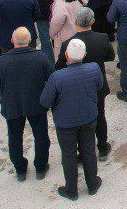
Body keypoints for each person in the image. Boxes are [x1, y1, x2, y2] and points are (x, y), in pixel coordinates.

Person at [40, 38, 104, 200]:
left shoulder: (57, 77)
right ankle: (92, 184)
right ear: (85, 55)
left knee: (68, 155)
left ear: (67, 55)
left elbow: (45, 102)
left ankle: (71, 190)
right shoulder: (94, 68)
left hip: (65, 123)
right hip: (89, 117)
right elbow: (99, 86)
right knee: (88, 150)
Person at [0, 27, 53, 180]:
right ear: (30, 40)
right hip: (36, 104)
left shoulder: (1, 61)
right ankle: (41, 167)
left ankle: (20, 170)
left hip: (12, 106)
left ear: (12, 41)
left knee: (15, 138)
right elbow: (51, 79)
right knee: (41, 136)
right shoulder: (40, 57)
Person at [54, 8, 114, 160]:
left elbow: (59, 66)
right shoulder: (102, 38)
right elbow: (110, 57)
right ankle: (102, 147)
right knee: (100, 116)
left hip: (76, 88)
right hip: (97, 85)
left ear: (75, 22)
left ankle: (83, 152)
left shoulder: (68, 43)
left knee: (81, 121)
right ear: (93, 22)